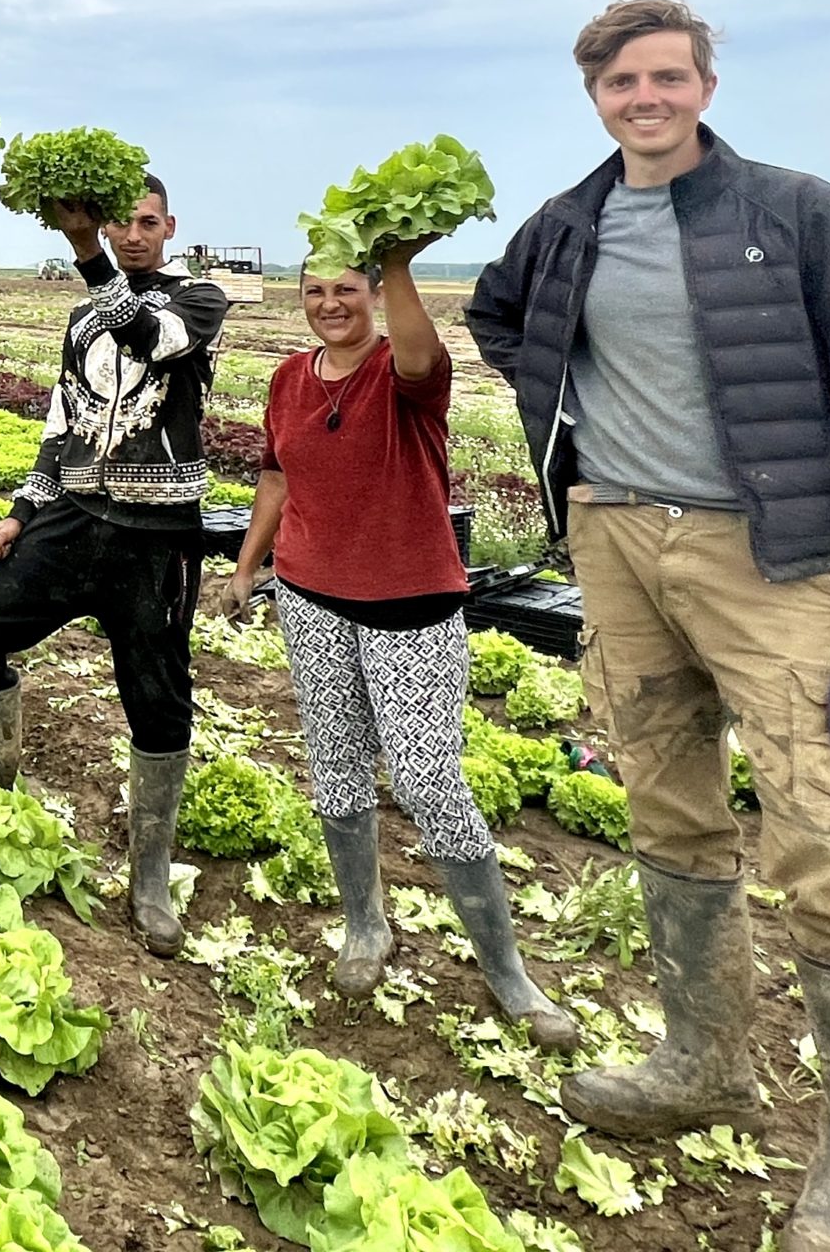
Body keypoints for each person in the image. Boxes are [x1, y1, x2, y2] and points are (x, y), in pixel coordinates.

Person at [466, 0, 830, 1252]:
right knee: (664, 800)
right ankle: (701, 1063)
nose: (647, 97)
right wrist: (568, 432)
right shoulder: (566, 225)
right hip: (616, 542)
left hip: (766, 555)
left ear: (703, 87)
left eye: (668, 77)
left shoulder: (798, 212)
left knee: (819, 835)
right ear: (593, 93)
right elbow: (498, 316)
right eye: (624, 80)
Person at [215, 248, 576, 1048]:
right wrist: (249, 570)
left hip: (409, 600)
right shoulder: (287, 380)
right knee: (336, 763)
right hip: (310, 597)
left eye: (347, 288)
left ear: (375, 294)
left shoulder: (405, 372)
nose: (329, 303)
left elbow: (422, 351)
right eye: (315, 291)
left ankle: (508, 971)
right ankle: (364, 925)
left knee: (426, 778)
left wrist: (402, 263)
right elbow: (275, 479)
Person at [0, 178, 228, 956]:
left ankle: (150, 877)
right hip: (73, 523)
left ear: (170, 226)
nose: (132, 236)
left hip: (154, 535)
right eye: (118, 224)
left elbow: (147, 340)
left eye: (146, 223)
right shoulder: (80, 316)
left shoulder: (197, 301)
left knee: (157, 697)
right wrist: (21, 512)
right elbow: (61, 421)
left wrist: (84, 251)